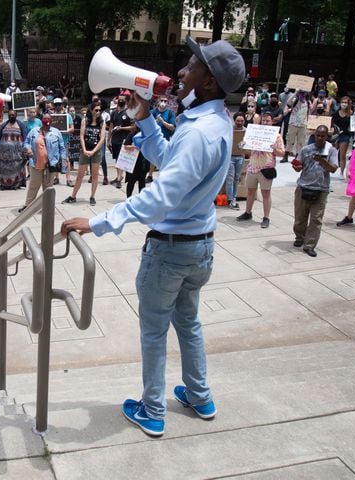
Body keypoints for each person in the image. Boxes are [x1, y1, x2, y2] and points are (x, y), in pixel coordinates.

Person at [61, 39, 245, 437]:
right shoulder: (212, 122)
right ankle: (199, 395)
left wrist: (99, 222)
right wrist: (144, 120)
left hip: (170, 250)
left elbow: (162, 196)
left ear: (209, 83)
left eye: (192, 67)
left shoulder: (199, 132)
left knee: (154, 330)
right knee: (189, 323)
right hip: (199, 247)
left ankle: (153, 409)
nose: (181, 72)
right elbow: (170, 162)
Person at [291, 125, 338, 257]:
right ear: (314, 135)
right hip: (304, 187)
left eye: (323, 136)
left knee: (316, 219)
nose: (320, 138)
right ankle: (300, 237)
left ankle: (310, 245)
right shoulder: (306, 149)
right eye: (318, 135)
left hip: (321, 189)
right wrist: (297, 166)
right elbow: (298, 165)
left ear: (326, 137)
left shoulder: (331, 151)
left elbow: (333, 168)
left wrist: (322, 160)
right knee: (300, 218)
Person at [236, 112, 285, 228]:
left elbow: (282, 153)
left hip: (266, 168)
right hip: (252, 167)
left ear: (272, 121)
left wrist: (274, 149)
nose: (265, 123)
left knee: (265, 193)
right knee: (250, 191)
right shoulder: (253, 133)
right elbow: (247, 151)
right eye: (263, 120)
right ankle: (248, 213)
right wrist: (242, 145)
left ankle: (266, 217)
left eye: (268, 121)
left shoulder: (277, 136)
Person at [17, 113, 67, 213]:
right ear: (41, 120)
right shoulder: (34, 131)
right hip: (36, 163)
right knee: (33, 186)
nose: (46, 120)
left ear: (51, 120)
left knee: (48, 187)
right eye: (44, 119)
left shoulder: (56, 132)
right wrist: (28, 149)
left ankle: (48, 207)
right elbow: (26, 142)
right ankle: (28, 206)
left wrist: (63, 165)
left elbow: (62, 148)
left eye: (48, 119)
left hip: (51, 164)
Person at [62, 103, 105, 206]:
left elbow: (102, 138)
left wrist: (93, 151)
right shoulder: (84, 121)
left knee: (94, 175)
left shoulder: (102, 122)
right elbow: (81, 136)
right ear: (91, 110)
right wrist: (85, 150)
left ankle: (92, 196)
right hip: (85, 151)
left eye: (99, 110)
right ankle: (73, 196)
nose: (98, 112)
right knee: (80, 175)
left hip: (96, 151)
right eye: (96, 110)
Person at [0, 110, 27, 190]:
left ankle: (16, 184)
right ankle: (4, 185)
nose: (11, 116)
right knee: (4, 168)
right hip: (4, 154)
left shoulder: (21, 125)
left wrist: (25, 148)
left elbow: (25, 137)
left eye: (13, 115)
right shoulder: (3, 125)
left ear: (16, 115)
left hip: (17, 153)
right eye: (10, 115)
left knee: (17, 167)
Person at [225, 113, 246, 210]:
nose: (240, 123)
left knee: (237, 178)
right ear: (234, 120)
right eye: (238, 121)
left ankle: (234, 198)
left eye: (242, 121)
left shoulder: (246, 131)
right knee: (230, 178)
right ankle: (230, 199)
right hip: (230, 157)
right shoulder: (229, 129)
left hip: (240, 157)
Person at [283, 89, 309, 163]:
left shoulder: (308, 102)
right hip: (293, 123)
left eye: (303, 93)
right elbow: (288, 102)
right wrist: (295, 93)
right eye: (301, 93)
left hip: (303, 124)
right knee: (289, 141)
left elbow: (309, 112)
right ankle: (286, 156)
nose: (302, 94)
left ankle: (297, 157)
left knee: (300, 142)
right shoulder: (295, 100)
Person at [331, 96, 353, 176]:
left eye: (346, 102)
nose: (344, 104)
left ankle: (341, 172)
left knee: (342, 155)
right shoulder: (335, 114)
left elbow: (353, 125)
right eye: (343, 102)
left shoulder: (350, 114)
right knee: (332, 152)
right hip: (335, 136)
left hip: (345, 135)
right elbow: (331, 124)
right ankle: (330, 168)